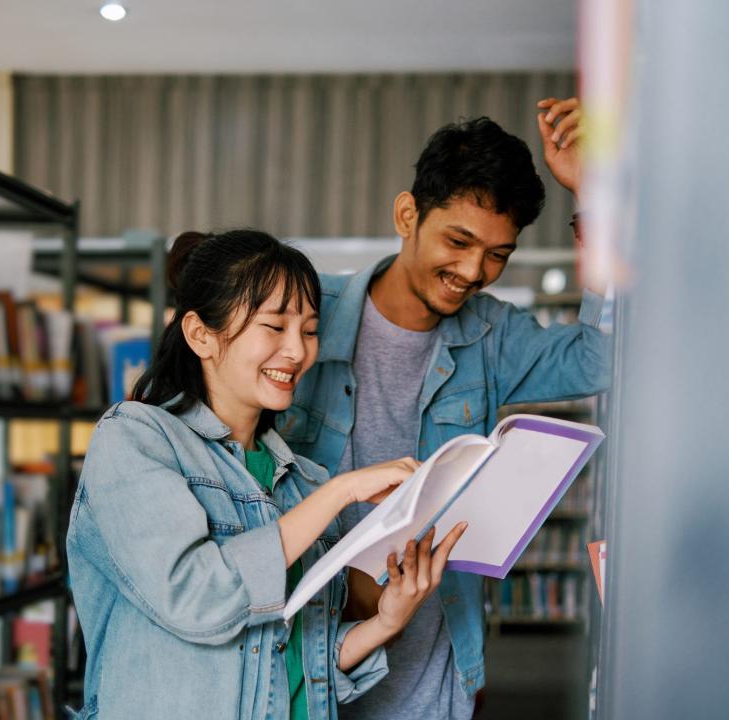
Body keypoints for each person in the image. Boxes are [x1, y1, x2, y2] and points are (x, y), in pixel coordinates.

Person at [276, 97, 610, 720]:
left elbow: (603, 356)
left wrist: (593, 202)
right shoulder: (303, 315)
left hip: (434, 679)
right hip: (303, 669)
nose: (472, 271)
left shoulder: (492, 336)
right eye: (458, 241)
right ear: (408, 214)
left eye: (497, 254)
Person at [67, 229, 467, 720]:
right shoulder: (134, 441)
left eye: (310, 330)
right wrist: (341, 492)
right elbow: (195, 597)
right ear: (200, 335)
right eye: (275, 327)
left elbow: (301, 657)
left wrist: (386, 622)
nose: (298, 351)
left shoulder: (304, 480)